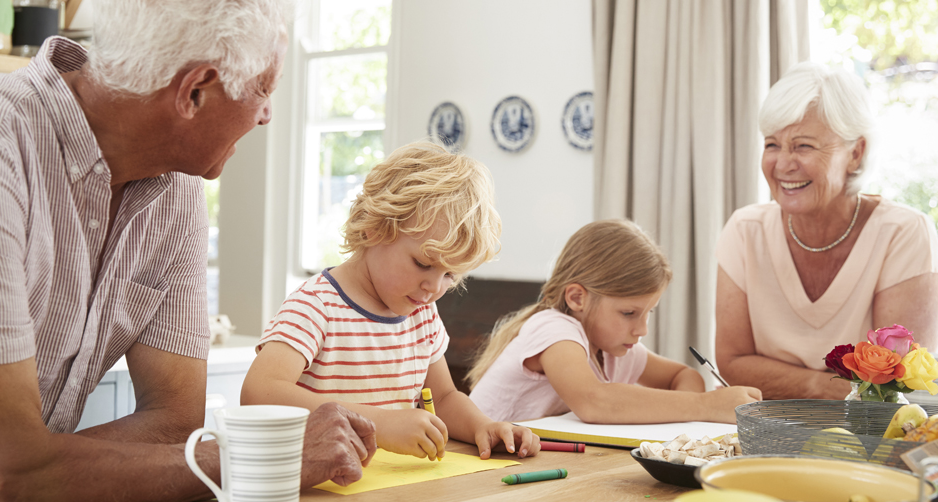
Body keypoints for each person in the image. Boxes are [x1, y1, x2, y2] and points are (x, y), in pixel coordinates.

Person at [0, 0, 376, 500]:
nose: (267, 114)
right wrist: (265, 455)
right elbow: (6, 472)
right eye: (265, 88)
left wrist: (48, 467)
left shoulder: (176, 186)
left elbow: (175, 428)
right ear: (195, 90)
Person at [241, 141, 541, 461]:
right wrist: (378, 423)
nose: (433, 287)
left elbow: (443, 397)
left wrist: (483, 426)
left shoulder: (421, 314)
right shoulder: (316, 306)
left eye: (450, 275)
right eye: (423, 264)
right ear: (373, 229)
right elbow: (258, 394)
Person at [715, 61, 938, 400]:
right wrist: (822, 386)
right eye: (772, 144)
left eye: (803, 146)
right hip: (767, 432)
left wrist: (776, 380)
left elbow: (894, 382)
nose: (783, 163)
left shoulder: (903, 233)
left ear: (855, 153)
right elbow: (732, 363)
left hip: (870, 436)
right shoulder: (745, 231)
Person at [466, 220, 761, 424]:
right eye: (629, 313)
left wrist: (680, 412)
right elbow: (594, 401)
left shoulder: (613, 349)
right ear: (577, 298)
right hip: (477, 469)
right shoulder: (553, 329)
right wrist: (706, 407)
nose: (642, 329)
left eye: (649, 313)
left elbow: (684, 377)